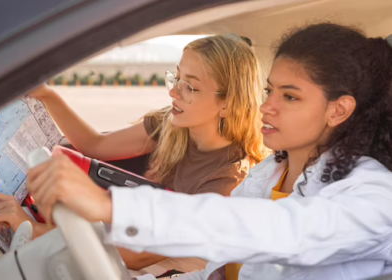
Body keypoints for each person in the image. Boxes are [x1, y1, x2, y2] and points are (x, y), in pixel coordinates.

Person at [25, 22, 392, 280]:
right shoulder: (268, 173)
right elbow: (219, 267)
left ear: (338, 110)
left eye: (290, 96)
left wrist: (110, 207)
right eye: (269, 92)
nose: (266, 107)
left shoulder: (375, 197)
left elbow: (274, 230)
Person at [0, 34, 266, 272]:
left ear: (228, 104)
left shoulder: (228, 182)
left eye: (190, 87)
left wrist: (29, 228)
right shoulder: (172, 124)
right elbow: (96, 146)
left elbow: (133, 254)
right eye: (176, 78)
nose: (174, 93)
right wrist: (47, 95)